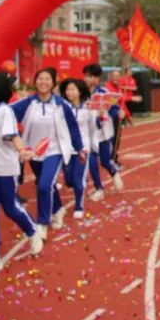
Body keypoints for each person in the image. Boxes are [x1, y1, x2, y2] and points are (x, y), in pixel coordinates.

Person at [11, 68, 84, 234]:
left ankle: (43, 222)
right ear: (35, 82)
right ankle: (58, 210)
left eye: (47, 79)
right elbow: (7, 113)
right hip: (34, 151)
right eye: (40, 79)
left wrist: (79, 148)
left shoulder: (61, 105)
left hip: (54, 150)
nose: (43, 82)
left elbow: (72, 127)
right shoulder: (28, 103)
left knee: (43, 185)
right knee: (47, 184)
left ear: (53, 83)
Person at [0, 71, 43, 256]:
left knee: (11, 208)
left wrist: (22, 151)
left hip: (5, 168)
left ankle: (32, 231)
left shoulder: (4, 111)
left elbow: (13, 135)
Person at [83, 64, 124, 196]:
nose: (87, 79)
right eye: (86, 76)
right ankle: (98, 188)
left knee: (105, 161)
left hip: (103, 133)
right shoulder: (80, 93)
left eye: (90, 76)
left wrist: (118, 112)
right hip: (88, 133)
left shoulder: (105, 93)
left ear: (97, 78)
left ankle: (114, 173)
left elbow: (114, 107)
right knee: (91, 160)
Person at [59, 78, 92, 219]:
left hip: (82, 149)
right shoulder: (61, 107)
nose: (69, 92)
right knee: (69, 181)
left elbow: (97, 125)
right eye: (67, 89)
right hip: (66, 148)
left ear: (80, 92)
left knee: (78, 180)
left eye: (72, 89)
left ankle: (79, 205)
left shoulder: (88, 108)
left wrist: (101, 117)